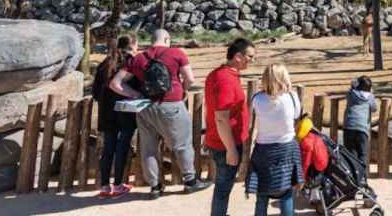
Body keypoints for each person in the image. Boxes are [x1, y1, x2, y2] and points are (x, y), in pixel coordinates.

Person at [110, 28, 210, 199]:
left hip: (146, 107)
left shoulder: (138, 58)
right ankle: (190, 181)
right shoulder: (177, 53)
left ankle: (155, 187)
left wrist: (136, 95)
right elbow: (190, 79)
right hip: (172, 105)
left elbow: (115, 84)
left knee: (149, 148)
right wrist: (182, 90)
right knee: (182, 144)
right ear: (167, 39)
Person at [205, 38, 256, 216]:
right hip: (226, 143)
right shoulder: (225, 79)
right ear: (238, 56)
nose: (252, 60)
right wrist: (231, 149)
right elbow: (221, 118)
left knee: (223, 186)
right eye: (250, 56)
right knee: (223, 187)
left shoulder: (220, 74)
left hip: (223, 141)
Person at [247, 63, 303, 216]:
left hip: (264, 149)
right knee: (286, 192)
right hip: (287, 147)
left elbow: (250, 118)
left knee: (262, 192)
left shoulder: (257, 98)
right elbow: (296, 115)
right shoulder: (292, 97)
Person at [94, 34, 139, 198]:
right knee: (122, 147)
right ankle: (119, 184)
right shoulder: (131, 63)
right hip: (125, 111)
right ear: (132, 45)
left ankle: (105, 186)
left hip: (106, 112)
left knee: (108, 148)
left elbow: (95, 93)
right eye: (137, 46)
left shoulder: (104, 63)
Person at [342, 76, 377, 169]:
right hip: (362, 128)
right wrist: (371, 94)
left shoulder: (351, 93)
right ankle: (362, 178)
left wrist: (354, 87)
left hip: (349, 126)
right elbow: (374, 108)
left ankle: (352, 177)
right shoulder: (370, 96)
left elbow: (352, 84)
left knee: (350, 154)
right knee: (362, 154)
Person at [297, 115, 329, 182]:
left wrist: (302, 179)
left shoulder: (306, 142)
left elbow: (306, 163)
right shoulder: (313, 134)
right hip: (323, 164)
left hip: (317, 169)